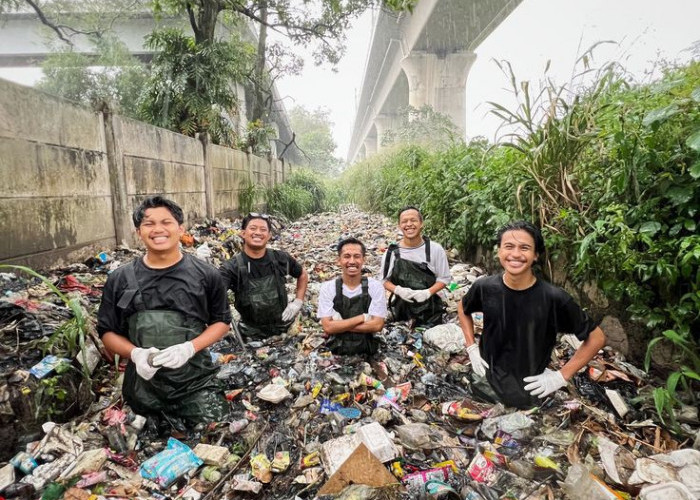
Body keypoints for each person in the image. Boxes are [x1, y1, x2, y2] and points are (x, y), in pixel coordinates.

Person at [97, 196, 232, 424]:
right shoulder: (119, 279)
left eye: (166, 222)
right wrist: (137, 354)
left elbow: (221, 322)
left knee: (213, 428)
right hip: (143, 384)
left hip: (194, 381)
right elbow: (107, 332)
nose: (158, 229)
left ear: (180, 229)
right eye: (149, 224)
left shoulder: (206, 275)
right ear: (138, 232)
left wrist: (189, 348)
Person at [458, 220, 606, 409]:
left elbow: (597, 338)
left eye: (525, 248)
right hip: (484, 384)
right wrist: (471, 348)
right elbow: (463, 308)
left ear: (535, 255)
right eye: (509, 246)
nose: (516, 254)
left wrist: (561, 376)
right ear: (499, 252)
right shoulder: (485, 287)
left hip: (530, 393)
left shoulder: (554, 299)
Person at [220, 213, 308, 340]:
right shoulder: (232, 267)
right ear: (243, 233)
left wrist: (298, 301)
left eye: (263, 230)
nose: (258, 233)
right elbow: (214, 290)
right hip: (249, 335)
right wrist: (203, 266)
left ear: (269, 236)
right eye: (253, 228)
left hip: (284, 329)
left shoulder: (280, 258)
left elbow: (302, 275)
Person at [381, 206, 451, 327]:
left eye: (413, 220)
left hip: (431, 311)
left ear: (421, 223)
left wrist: (427, 293)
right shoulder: (391, 253)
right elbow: (384, 280)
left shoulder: (435, 249)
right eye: (404, 221)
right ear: (399, 226)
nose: (409, 224)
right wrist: (399, 290)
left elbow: (444, 278)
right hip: (401, 309)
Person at [318, 237, 387, 355]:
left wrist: (339, 326)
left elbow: (377, 325)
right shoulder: (328, 288)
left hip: (368, 348)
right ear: (338, 260)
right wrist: (362, 318)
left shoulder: (375, 287)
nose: (352, 261)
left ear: (363, 259)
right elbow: (328, 327)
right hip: (336, 349)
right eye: (346, 256)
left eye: (357, 256)